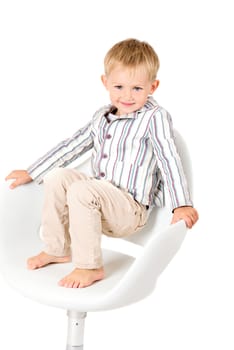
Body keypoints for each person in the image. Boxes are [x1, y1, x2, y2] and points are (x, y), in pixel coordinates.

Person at [5, 38, 199, 288]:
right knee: (58, 177)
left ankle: (90, 266)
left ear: (153, 86)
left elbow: (169, 158)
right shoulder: (102, 117)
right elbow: (71, 146)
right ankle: (57, 248)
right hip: (97, 201)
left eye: (137, 89)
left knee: (82, 190)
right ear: (105, 83)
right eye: (119, 86)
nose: (127, 96)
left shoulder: (154, 117)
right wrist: (33, 172)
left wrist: (181, 204)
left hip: (129, 210)